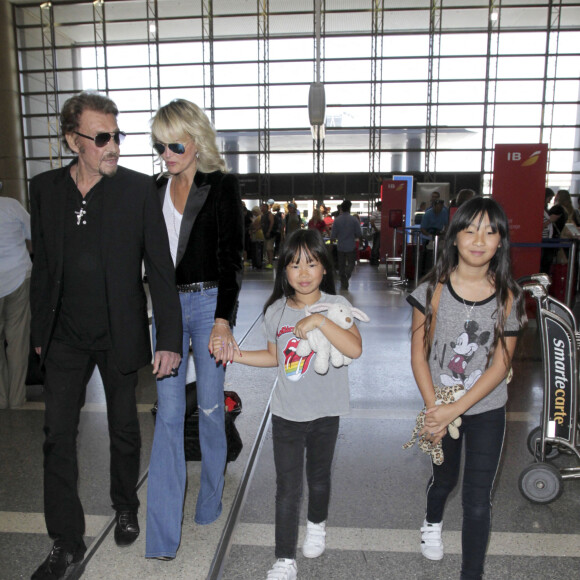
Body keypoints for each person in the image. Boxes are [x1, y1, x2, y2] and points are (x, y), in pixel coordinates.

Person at [29, 91, 182, 580]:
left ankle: (124, 504)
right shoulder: (45, 189)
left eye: (117, 135)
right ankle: (65, 541)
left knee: (122, 428)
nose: (113, 145)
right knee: (56, 438)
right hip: (64, 339)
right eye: (102, 137)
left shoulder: (138, 191)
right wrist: (39, 331)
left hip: (120, 332)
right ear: (74, 141)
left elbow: (160, 269)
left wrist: (169, 339)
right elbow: (44, 267)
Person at [212, 229, 363, 580]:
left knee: (320, 478)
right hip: (287, 414)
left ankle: (317, 525)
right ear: (284, 271)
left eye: (312, 263)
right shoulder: (275, 312)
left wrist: (319, 320)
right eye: (295, 265)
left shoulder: (336, 307)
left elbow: (355, 349)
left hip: (326, 411)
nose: (305, 272)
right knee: (287, 486)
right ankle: (284, 558)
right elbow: (273, 357)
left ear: (324, 267)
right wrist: (237, 355)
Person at [407, 197, 525, 580]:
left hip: (487, 408)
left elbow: (501, 364)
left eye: (491, 231)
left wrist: (455, 410)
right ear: (454, 236)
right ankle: (431, 521)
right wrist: (434, 410)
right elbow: (419, 355)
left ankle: (471, 573)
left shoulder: (510, 296)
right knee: (444, 479)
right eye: (470, 229)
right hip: (440, 404)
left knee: (477, 500)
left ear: (500, 242)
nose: (479, 239)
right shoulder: (431, 290)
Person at [146, 98, 244, 560]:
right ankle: (162, 536)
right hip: (166, 309)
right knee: (166, 415)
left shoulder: (220, 187)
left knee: (208, 406)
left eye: (175, 144)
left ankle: (209, 502)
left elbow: (231, 261)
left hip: (209, 306)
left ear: (196, 138)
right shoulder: (151, 191)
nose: (166, 153)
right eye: (160, 146)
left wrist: (223, 319)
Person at [0, 195, 32, 409]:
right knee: (17, 342)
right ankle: (16, 399)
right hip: (18, 278)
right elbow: (34, 232)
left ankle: (1, 399)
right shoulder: (11, 206)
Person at [330, 200, 362, 290]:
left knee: (341, 265)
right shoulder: (354, 219)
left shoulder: (337, 220)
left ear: (341, 209)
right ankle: (346, 276)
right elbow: (359, 233)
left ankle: (343, 277)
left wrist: (332, 244)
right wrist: (361, 241)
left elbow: (333, 235)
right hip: (351, 246)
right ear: (349, 208)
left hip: (340, 246)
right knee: (351, 264)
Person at [262, 202, 275, 269]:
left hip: (270, 235)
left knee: (269, 249)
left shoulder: (269, 214)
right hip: (265, 235)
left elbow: (272, 222)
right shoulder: (263, 215)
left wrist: (269, 231)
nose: (262, 208)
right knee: (267, 249)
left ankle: (270, 263)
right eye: (262, 207)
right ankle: (269, 262)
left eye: (264, 207)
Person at [369, 200, 382, 265]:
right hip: (377, 232)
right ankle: (374, 260)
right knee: (376, 246)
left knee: (377, 246)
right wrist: (376, 229)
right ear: (378, 206)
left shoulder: (382, 213)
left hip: (380, 232)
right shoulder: (375, 213)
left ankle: (375, 259)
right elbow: (372, 222)